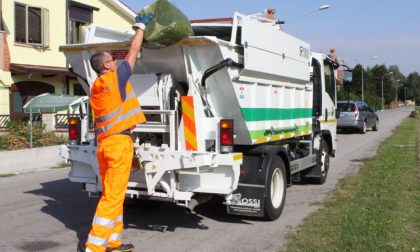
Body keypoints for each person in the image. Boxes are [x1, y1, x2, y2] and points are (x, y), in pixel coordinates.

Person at [85, 13, 154, 252]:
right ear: (106, 66)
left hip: (105, 146)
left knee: (113, 195)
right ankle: (94, 247)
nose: (116, 62)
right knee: (112, 198)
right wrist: (140, 28)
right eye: (112, 60)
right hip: (117, 146)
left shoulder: (97, 87)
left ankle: (113, 242)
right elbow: (133, 53)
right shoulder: (115, 80)